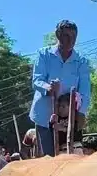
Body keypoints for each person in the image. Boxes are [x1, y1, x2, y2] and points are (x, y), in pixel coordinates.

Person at [29, 20, 91, 156]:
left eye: (74, 37)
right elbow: (37, 80)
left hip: (69, 119)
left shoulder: (81, 61)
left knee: (71, 157)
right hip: (45, 116)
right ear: (58, 35)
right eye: (66, 36)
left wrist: (81, 112)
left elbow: (85, 90)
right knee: (48, 158)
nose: (71, 40)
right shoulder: (44, 55)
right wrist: (49, 87)